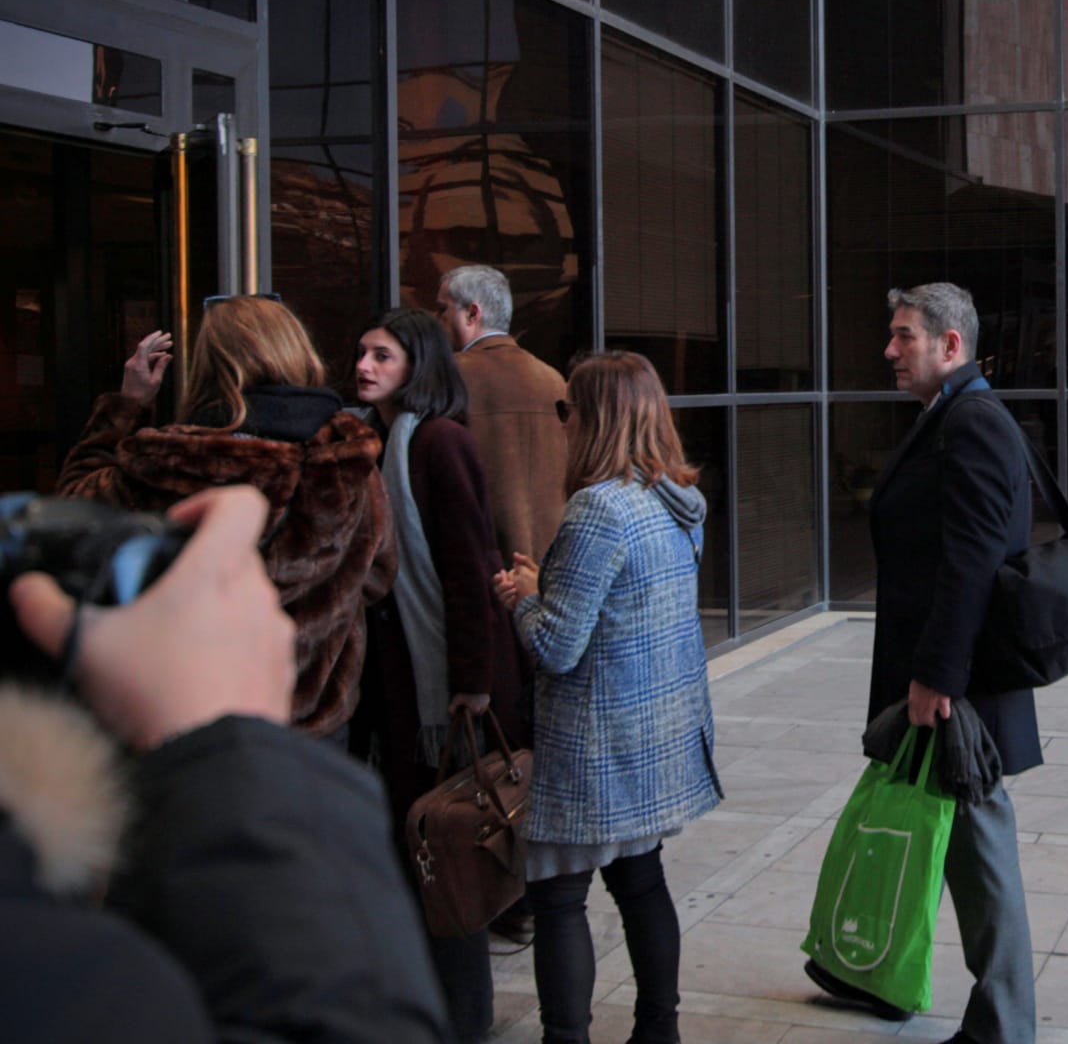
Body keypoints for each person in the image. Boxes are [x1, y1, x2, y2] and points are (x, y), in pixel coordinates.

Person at [1, 485, 448, 1042]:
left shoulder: (148, 452)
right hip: (266, 718)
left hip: (165, 710)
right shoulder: (88, 974)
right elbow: (381, 573)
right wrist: (234, 738)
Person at [805, 283, 1039, 1044]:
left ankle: (1004, 1023)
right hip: (941, 675)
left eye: (904, 336)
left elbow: (970, 563)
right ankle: (875, 971)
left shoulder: (972, 424)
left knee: (978, 848)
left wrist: (937, 678)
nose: (890, 350)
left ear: (950, 345)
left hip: (955, 687)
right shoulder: (949, 417)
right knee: (927, 833)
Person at [493, 350, 720, 1044]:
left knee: (559, 898)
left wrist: (525, 597)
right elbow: (625, 608)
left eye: (568, 410)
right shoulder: (678, 499)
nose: (562, 422)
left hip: (596, 742)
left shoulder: (599, 507)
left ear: (594, 419)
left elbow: (557, 647)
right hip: (654, 730)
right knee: (640, 881)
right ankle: (659, 1030)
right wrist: (551, 589)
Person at [55, 295, 394, 739]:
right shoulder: (349, 460)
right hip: (312, 720)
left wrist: (126, 405)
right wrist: (319, 608)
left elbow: (76, 513)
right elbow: (378, 574)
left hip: (190, 718)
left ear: (209, 368)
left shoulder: (170, 460)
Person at [351, 307, 530, 1044]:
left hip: (447, 688)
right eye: (361, 353)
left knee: (445, 850)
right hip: (403, 684)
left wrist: (473, 679)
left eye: (382, 356)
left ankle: (461, 1016)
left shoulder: (437, 442)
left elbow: (468, 567)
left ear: (416, 365)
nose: (363, 365)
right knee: (414, 843)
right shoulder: (384, 442)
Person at [436, 264, 568, 566]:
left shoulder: (448, 378)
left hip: (482, 565)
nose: (437, 320)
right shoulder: (553, 379)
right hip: (550, 564)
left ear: (472, 313)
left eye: (441, 309)